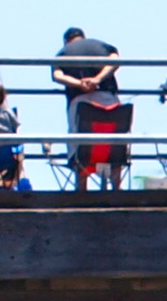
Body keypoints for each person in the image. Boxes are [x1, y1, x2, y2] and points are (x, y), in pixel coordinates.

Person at [54, 28, 127, 190]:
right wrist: (98, 79)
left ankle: (82, 189)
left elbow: (57, 76)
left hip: (80, 104)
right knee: (115, 143)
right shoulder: (99, 45)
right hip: (109, 100)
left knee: (81, 146)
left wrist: (80, 84)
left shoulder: (63, 53)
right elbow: (115, 60)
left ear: (66, 41)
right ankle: (117, 187)